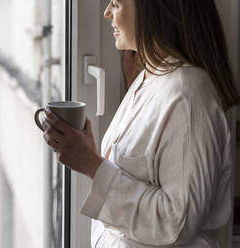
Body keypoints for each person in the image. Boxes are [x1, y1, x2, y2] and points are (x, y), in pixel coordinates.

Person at [41, 0, 239, 247]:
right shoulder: (150, 78)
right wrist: (89, 153)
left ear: (153, 11)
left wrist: (92, 165)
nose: (106, 13)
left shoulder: (188, 94)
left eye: (115, 3)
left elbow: (177, 224)